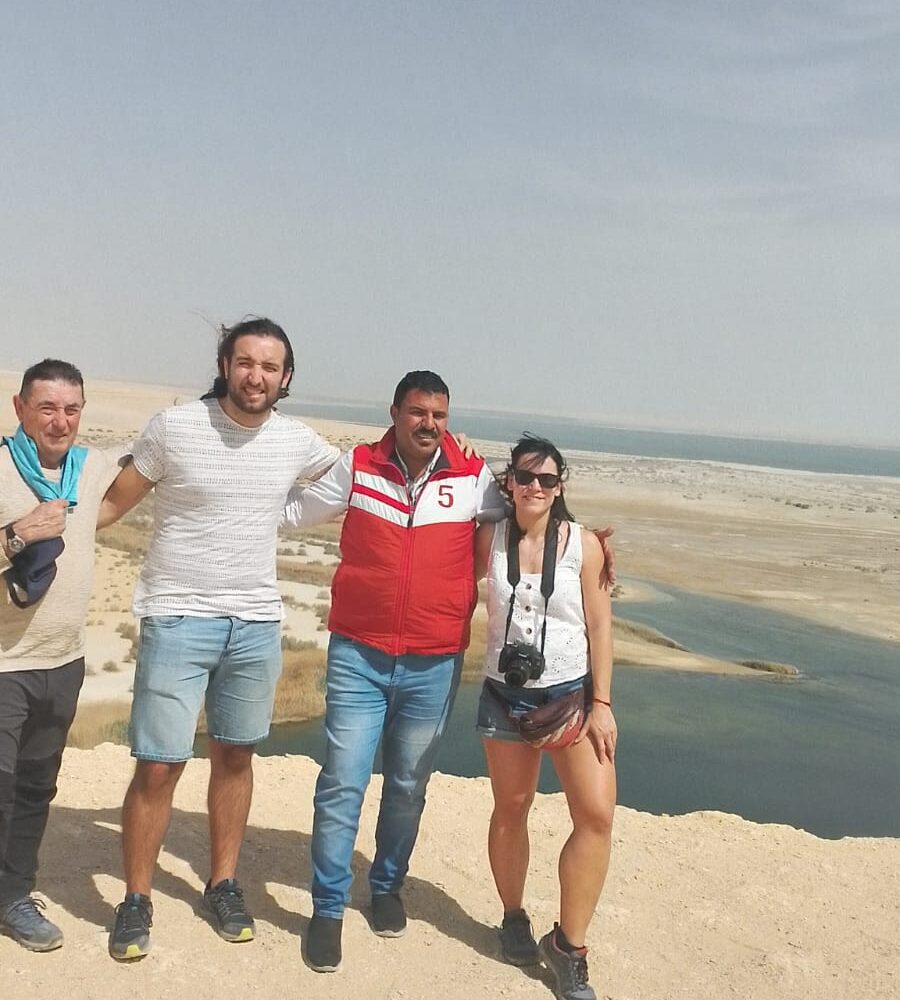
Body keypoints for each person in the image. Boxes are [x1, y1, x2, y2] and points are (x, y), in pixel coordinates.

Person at [98, 318, 340, 961]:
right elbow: (112, 503)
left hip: (255, 623)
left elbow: (354, 480)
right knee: (158, 764)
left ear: (286, 378)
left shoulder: (295, 440)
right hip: (176, 617)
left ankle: (223, 882)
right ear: (225, 364)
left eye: (269, 366)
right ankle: (137, 898)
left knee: (236, 757)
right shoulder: (175, 428)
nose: (255, 376)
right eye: (245, 363)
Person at [280, 370, 508, 973]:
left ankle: (385, 887)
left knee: (408, 785)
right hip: (359, 653)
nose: (429, 424)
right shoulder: (359, 467)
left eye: (439, 414)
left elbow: (520, 525)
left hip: (435, 661)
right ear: (396, 412)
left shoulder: (472, 477)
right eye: (418, 413)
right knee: (342, 781)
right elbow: (295, 512)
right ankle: (327, 909)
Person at [474, 435, 616, 1000]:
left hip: (572, 698)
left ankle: (569, 946)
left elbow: (601, 627)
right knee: (511, 808)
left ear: (561, 487)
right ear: (508, 481)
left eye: (547, 480)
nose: (535, 488)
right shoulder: (487, 537)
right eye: (525, 477)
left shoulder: (584, 545)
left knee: (597, 816)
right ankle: (513, 917)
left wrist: (602, 704)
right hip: (504, 697)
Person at [1, 360, 123, 951]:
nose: (60, 420)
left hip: (62, 661)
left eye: (71, 409)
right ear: (21, 408)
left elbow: (135, 480)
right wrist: (18, 534)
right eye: (47, 407)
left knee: (34, 787)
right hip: (3, 664)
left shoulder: (90, 468)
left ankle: (14, 898)